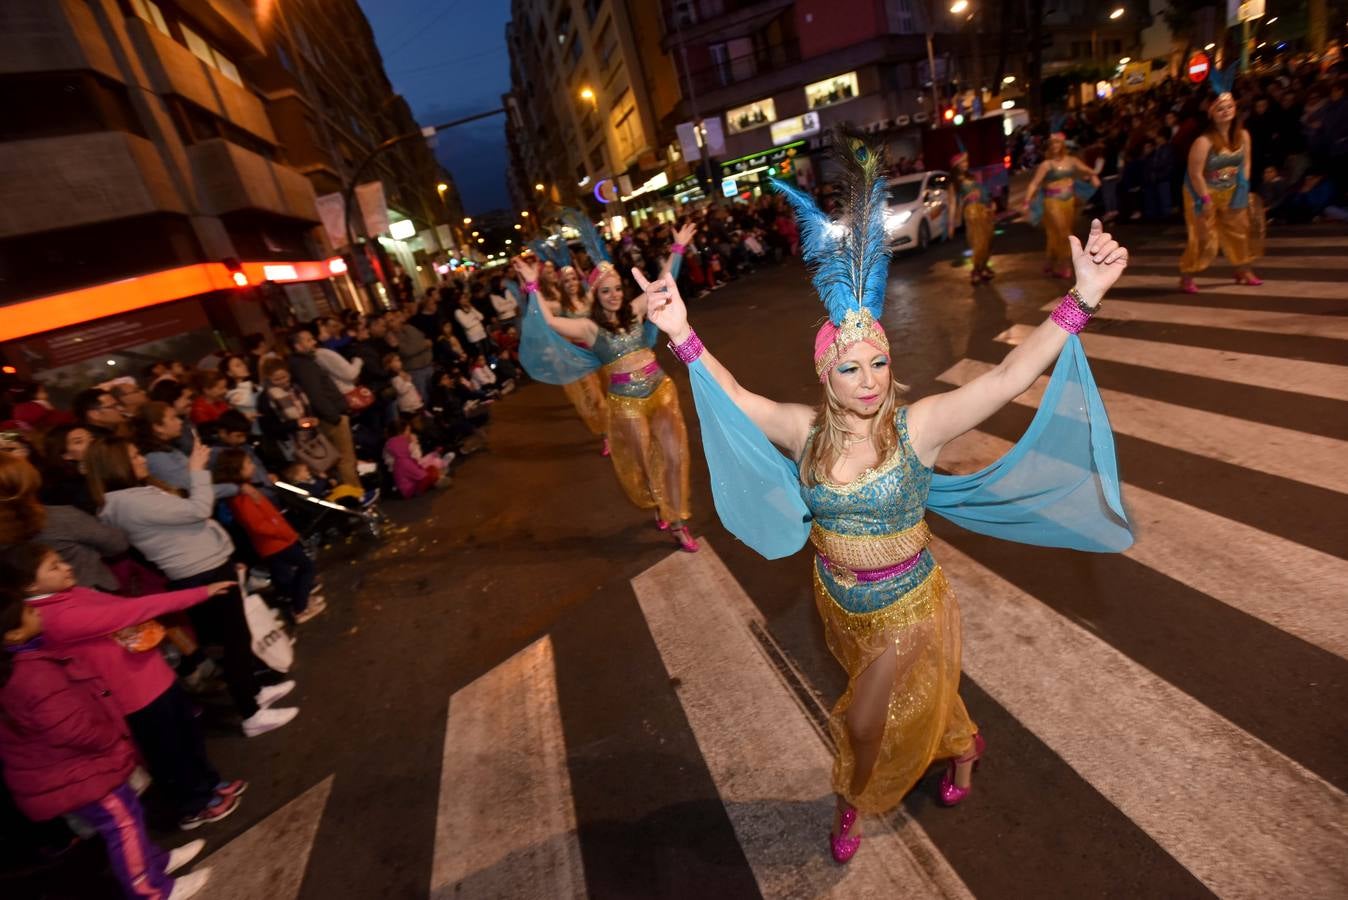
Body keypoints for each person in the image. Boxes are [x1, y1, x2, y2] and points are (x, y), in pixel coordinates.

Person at [642, 131, 1131, 863]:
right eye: (850, 367)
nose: (869, 379)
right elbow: (734, 394)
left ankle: (853, 798)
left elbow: (1002, 381)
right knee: (916, 697)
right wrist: (681, 333)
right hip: (837, 601)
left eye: (878, 362)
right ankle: (964, 746)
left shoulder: (918, 428)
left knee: (868, 721)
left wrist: (1080, 298)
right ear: (825, 375)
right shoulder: (802, 430)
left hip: (908, 604)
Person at [2, 542, 246, 830]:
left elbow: (123, 608)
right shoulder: (54, 617)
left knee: (187, 736)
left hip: (153, 677)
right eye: (54, 567)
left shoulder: (70, 594)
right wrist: (201, 592)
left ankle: (208, 782)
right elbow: (132, 610)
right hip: (134, 696)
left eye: (61, 561)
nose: (67, 567)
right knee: (168, 752)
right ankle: (193, 805)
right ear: (29, 585)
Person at [0, 585, 213, 899]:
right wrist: (111, 738)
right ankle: (151, 891)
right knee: (122, 826)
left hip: (77, 768)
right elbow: (71, 729)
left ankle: (156, 862)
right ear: (14, 635)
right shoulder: (30, 674)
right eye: (30, 612)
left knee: (130, 817)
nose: (37, 612)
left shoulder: (30, 659)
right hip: (75, 772)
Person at [85, 437, 299, 736]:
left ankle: (253, 691)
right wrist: (197, 470)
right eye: (135, 456)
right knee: (233, 641)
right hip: (202, 571)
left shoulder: (127, 498)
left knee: (235, 635)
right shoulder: (129, 500)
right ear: (116, 464)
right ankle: (251, 714)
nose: (142, 460)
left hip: (202, 566)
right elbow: (198, 509)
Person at [517, 243, 699, 553]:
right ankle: (659, 503)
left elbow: (664, 279)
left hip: (661, 391)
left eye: (617, 288)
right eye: (606, 291)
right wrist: (533, 286)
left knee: (673, 455)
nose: (614, 295)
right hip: (626, 403)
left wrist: (677, 248)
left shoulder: (635, 311)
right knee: (644, 460)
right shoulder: (589, 328)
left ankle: (678, 524)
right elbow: (550, 323)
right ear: (596, 297)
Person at [213, 450, 325, 624]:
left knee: (287, 572)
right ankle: (300, 608)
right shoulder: (241, 497)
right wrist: (282, 532)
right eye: (248, 464)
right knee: (307, 567)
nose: (252, 467)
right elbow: (258, 524)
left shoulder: (245, 491)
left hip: (273, 542)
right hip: (276, 542)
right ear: (236, 470)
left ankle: (298, 601)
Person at [1180, 69, 1264, 293]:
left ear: (1235, 108)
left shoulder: (1243, 135)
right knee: (1204, 237)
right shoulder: (1203, 141)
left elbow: (1245, 164)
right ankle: (1187, 274)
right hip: (1202, 192)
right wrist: (1205, 199)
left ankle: (1243, 269)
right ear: (1211, 113)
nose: (1225, 111)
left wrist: (1243, 189)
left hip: (1231, 190)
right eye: (1220, 108)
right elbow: (1195, 173)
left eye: (1229, 107)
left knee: (1239, 231)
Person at [286, 330, 360, 488]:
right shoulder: (304, 365)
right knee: (346, 460)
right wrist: (335, 416)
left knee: (341, 460)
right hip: (331, 417)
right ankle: (356, 495)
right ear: (298, 346)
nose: (313, 342)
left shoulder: (304, 363)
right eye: (308, 340)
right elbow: (316, 394)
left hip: (329, 415)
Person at [1023, 132, 1100, 279]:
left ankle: (1050, 262)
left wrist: (1093, 176)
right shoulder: (1046, 165)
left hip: (1068, 201)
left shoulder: (1072, 160)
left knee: (1055, 234)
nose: (1055, 146)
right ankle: (1066, 265)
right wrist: (1027, 201)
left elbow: (1088, 170)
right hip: (1052, 202)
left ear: (1062, 145)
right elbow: (1034, 183)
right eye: (1052, 144)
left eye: (1057, 143)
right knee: (1064, 232)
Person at [948, 150, 995, 283]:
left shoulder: (973, 177)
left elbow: (984, 192)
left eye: (966, 161)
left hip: (983, 211)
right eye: (962, 162)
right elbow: (952, 205)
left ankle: (983, 267)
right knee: (978, 242)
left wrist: (990, 204)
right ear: (956, 165)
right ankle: (976, 270)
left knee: (988, 240)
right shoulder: (954, 184)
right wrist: (951, 225)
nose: (965, 164)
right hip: (971, 213)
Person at [382, 420, 451, 498]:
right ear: (400, 433)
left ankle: (439, 473)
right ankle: (438, 477)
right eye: (408, 430)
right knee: (431, 469)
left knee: (431, 465)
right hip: (412, 487)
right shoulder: (400, 458)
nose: (409, 433)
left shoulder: (400, 450)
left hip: (413, 471)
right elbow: (419, 473)